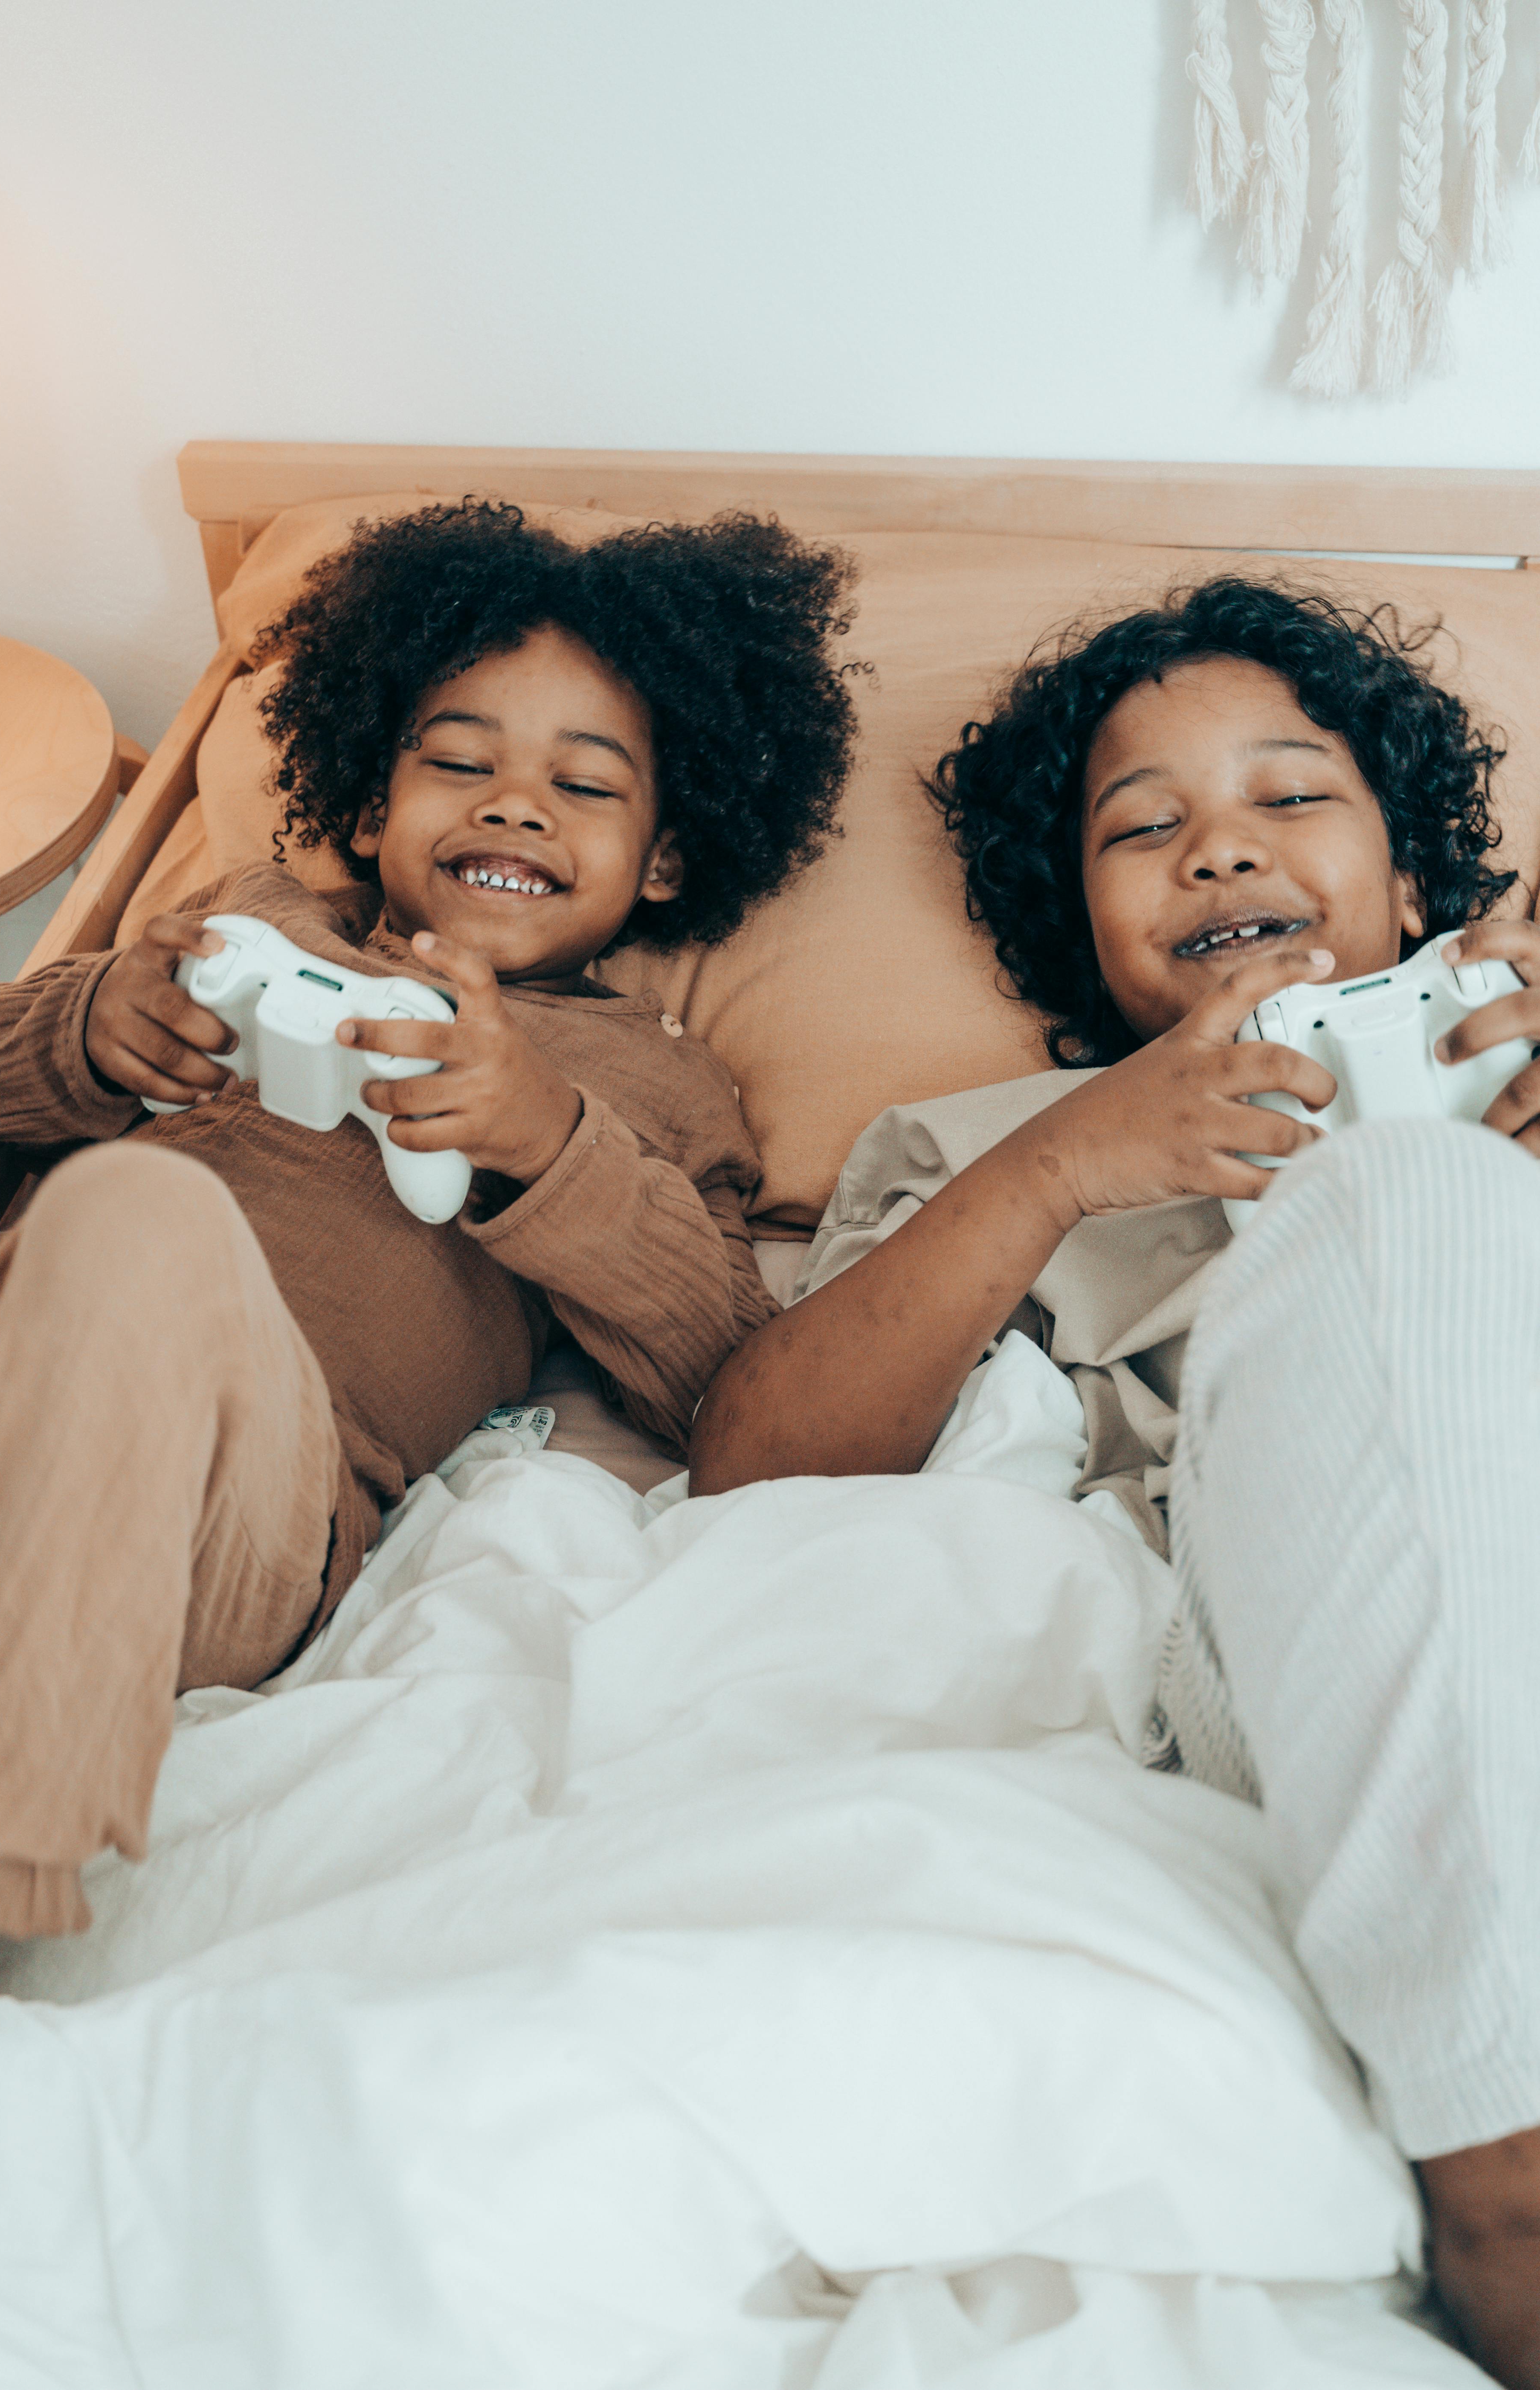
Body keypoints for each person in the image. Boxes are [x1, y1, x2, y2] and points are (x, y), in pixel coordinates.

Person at [690, 575, 1540, 2387]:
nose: (1218, 849)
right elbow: (755, 1470)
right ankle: (1509, 2163)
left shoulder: (1515, 1059)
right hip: (1308, 1662)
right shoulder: (986, 1152)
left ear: (1411, 887)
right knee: (1390, 1206)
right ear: (1083, 924)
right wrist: (1068, 1166)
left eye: (1292, 798)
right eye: (1144, 827)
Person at [0, 499, 857, 2056]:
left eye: (583, 784)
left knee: (142, 1221)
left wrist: (544, 1141)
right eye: (459, 760)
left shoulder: (654, 1090)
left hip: (228, 1513)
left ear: (667, 855)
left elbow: (721, 1376)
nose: (515, 805)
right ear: (370, 804)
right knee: (101, 1213)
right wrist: (72, 1034)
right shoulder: (240, 922)